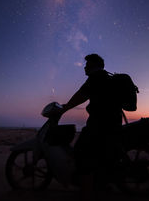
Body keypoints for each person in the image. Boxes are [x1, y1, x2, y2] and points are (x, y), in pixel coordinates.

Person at [60, 54, 123, 198]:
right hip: (112, 122)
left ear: (94, 65)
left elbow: (81, 95)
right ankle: (101, 182)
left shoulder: (96, 78)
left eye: (87, 64)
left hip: (100, 124)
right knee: (96, 154)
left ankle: (87, 192)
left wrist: (65, 108)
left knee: (81, 152)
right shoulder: (106, 77)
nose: (84, 67)